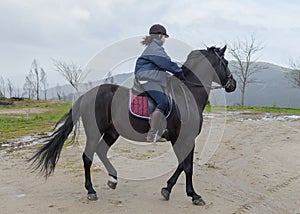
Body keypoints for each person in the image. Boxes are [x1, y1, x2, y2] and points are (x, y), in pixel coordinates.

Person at [134, 24, 185, 142]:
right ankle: (152, 134)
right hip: (147, 79)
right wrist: (180, 73)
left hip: (151, 78)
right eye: (164, 37)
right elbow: (166, 63)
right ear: (160, 35)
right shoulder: (155, 48)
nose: (165, 40)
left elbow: (160, 67)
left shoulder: (154, 48)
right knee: (163, 101)